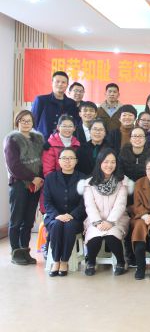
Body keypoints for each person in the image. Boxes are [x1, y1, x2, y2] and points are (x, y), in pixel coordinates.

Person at [80, 148, 131, 276]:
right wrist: (97, 222)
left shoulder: (122, 181)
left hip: (117, 218)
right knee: (94, 237)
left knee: (111, 236)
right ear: (100, 162)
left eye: (113, 162)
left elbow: (121, 204)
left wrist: (110, 222)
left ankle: (121, 262)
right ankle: (91, 262)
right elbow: (89, 205)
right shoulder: (89, 182)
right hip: (95, 219)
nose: (109, 165)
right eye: (106, 161)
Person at [3, 110, 44, 265]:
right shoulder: (12, 140)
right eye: (23, 120)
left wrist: (39, 179)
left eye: (29, 120)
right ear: (17, 122)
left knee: (28, 220)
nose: (26, 123)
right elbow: (13, 165)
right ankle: (15, 252)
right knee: (16, 220)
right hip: (19, 184)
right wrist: (33, 178)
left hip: (36, 185)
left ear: (33, 122)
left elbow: (42, 161)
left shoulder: (38, 139)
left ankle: (25, 250)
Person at [43, 148, 86, 276]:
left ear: (76, 161)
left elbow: (84, 203)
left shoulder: (83, 178)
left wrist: (71, 215)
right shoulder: (50, 178)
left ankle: (64, 261)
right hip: (54, 217)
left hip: (75, 218)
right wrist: (57, 215)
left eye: (71, 158)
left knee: (69, 226)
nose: (68, 161)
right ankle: (56, 261)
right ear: (59, 161)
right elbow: (47, 202)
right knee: (56, 225)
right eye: (64, 158)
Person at [31, 71, 79, 140]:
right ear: (52, 83)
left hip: (65, 141)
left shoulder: (71, 103)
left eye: (63, 82)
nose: (60, 84)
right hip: (44, 141)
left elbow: (74, 123)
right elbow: (33, 122)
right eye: (57, 81)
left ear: (67, 85)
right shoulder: (41, 100)